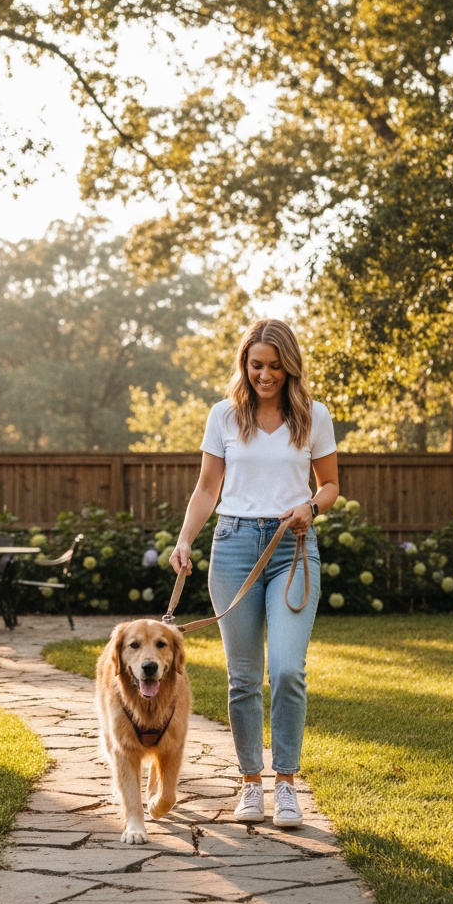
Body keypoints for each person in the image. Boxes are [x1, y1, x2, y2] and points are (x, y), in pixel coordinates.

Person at [169, 318, 339, 827]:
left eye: (275, 366)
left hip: (293, 548)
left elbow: (330, 485)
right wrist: (184, 539)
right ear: (244, 365)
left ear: (291, 366)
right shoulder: (224, 415)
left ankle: (286, 783)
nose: (265, 375)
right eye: (256, 365)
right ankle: (250, 783)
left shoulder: (313, 415)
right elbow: (207, 488)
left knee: (286, 670)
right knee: (243, 677)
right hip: (234, 545)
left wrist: (312, 505)